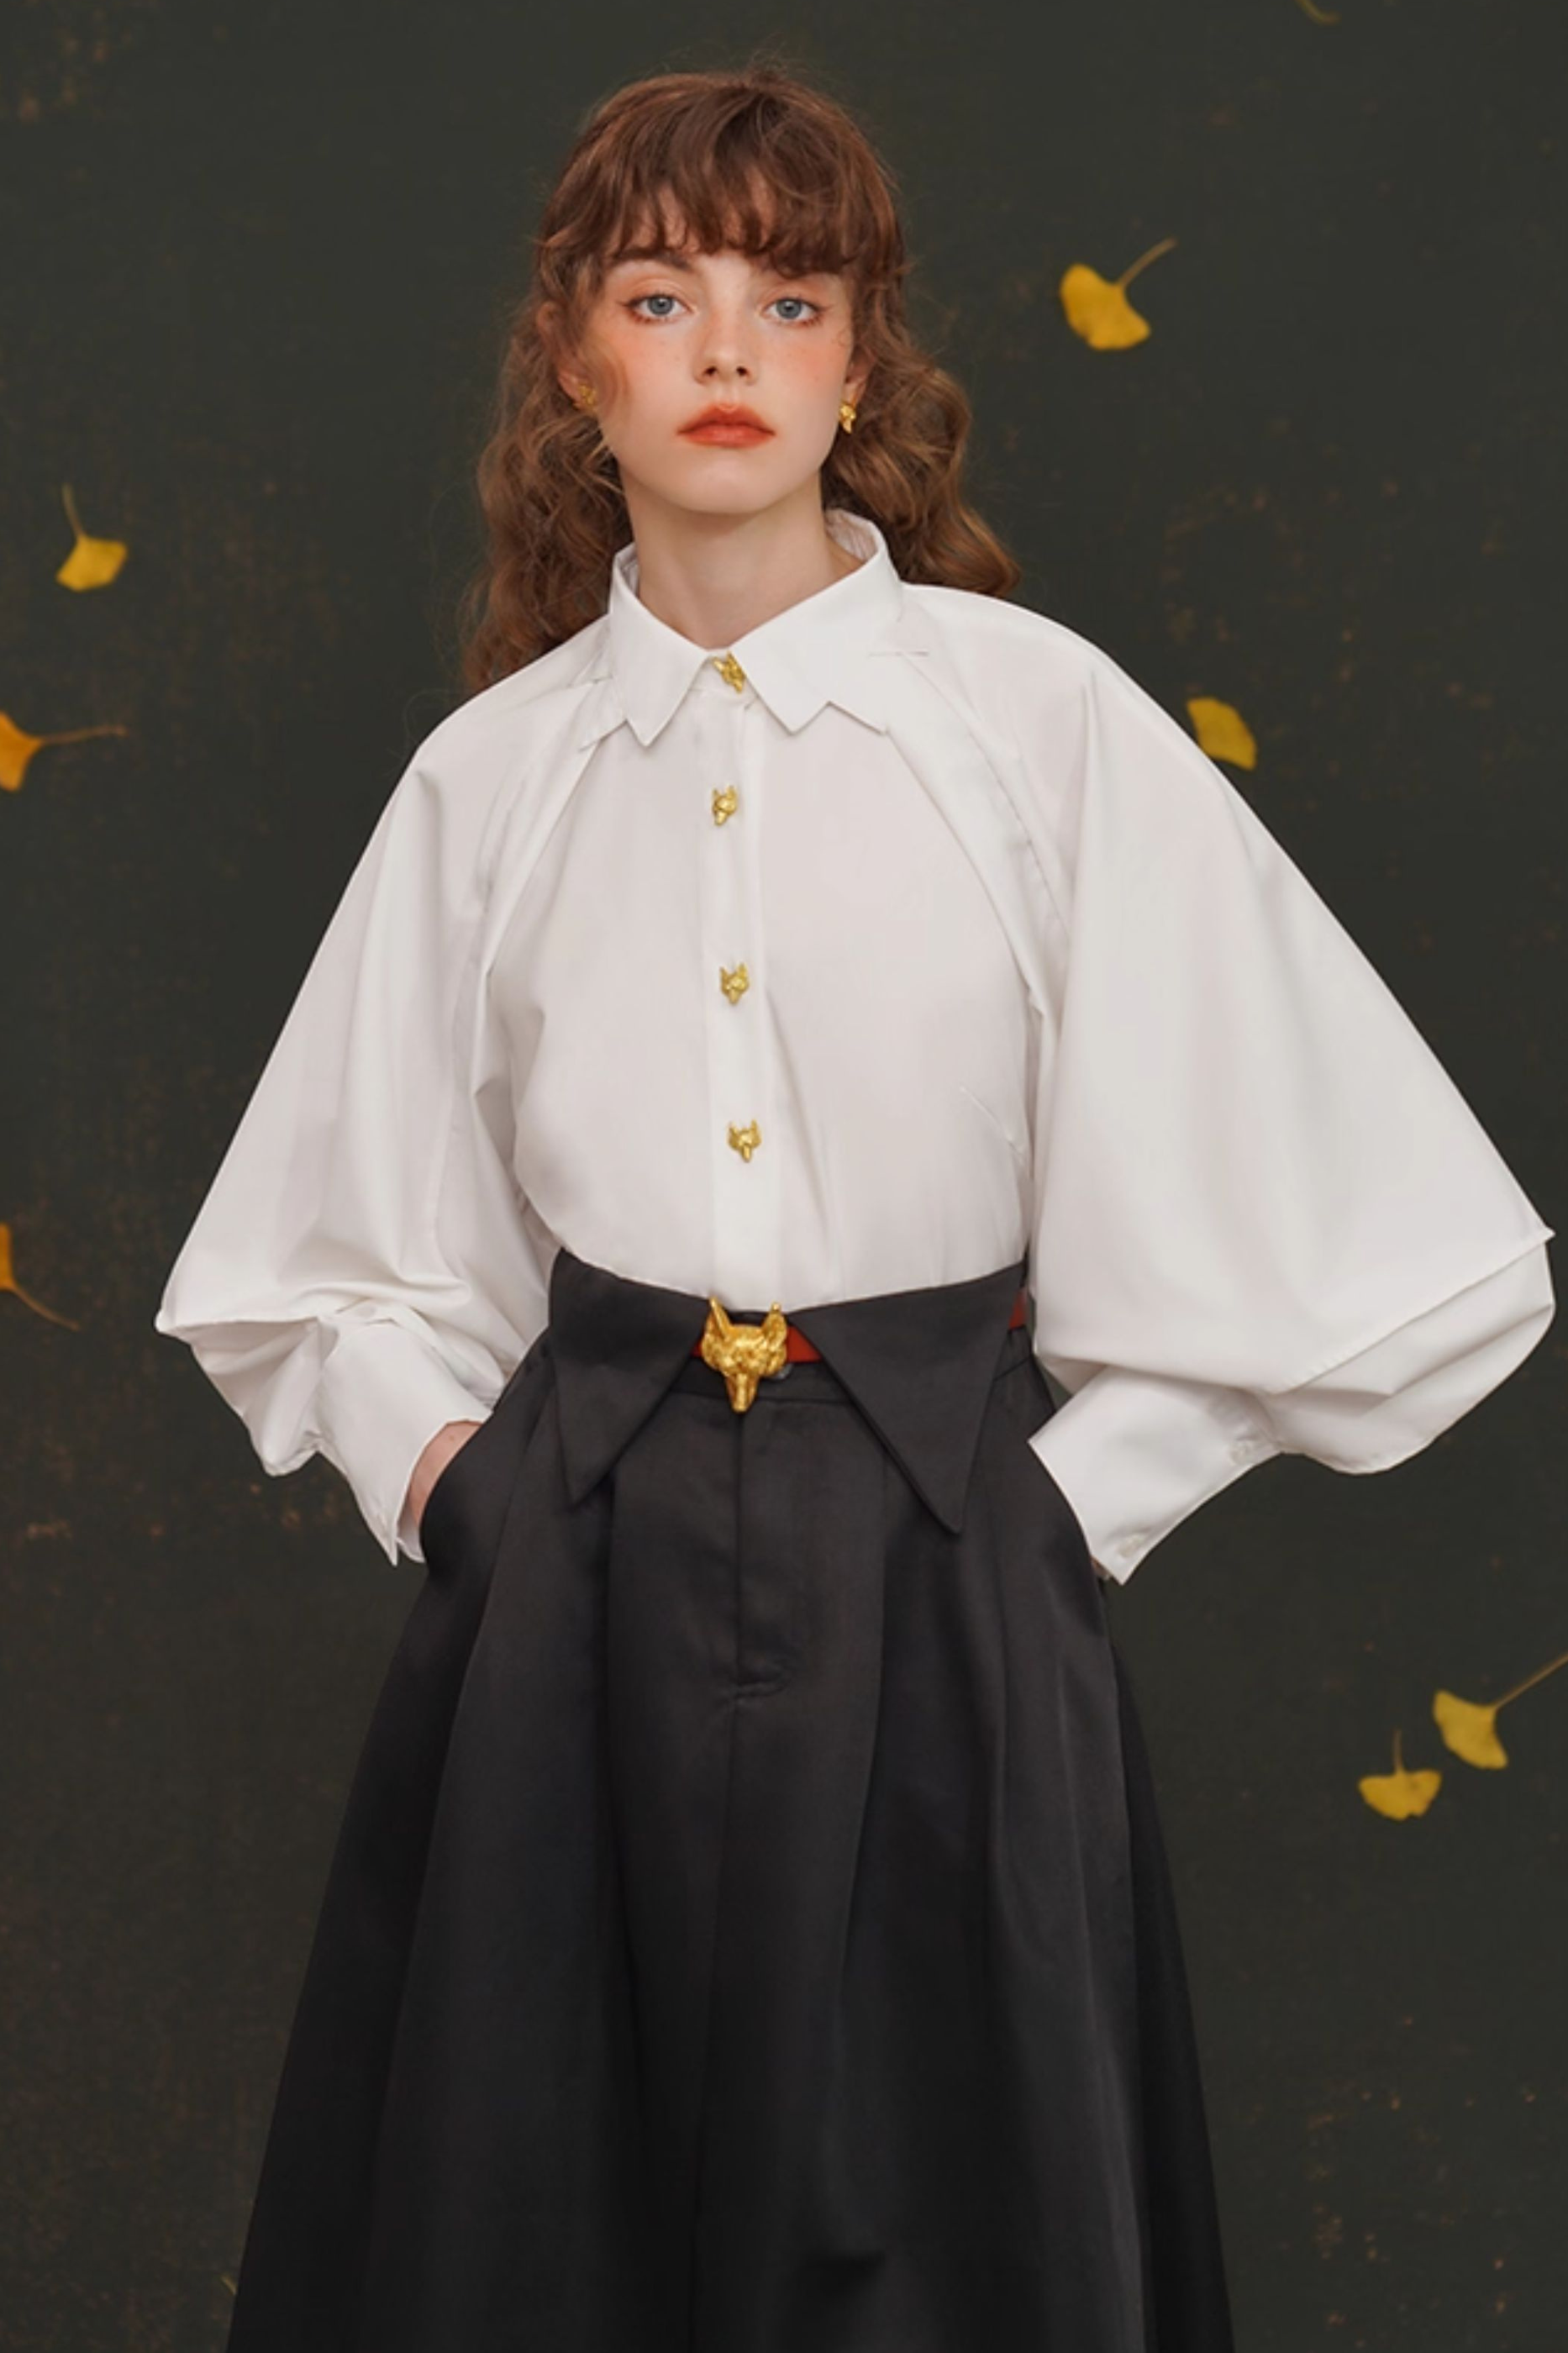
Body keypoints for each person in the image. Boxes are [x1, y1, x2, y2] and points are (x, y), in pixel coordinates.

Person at [153, 60, 1555, 2353]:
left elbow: (1405, 1239)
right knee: (535, 2243)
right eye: (661, 296)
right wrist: (460, 1484)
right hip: (566, 1593)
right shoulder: (490, 782)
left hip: (950, 1567)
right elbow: (318, 1259)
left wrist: (1070, 1508)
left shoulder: (1038, 727)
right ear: (574, 358)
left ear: (859, 362)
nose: (728, 350)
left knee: (959, 2238)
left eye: (790, 301)